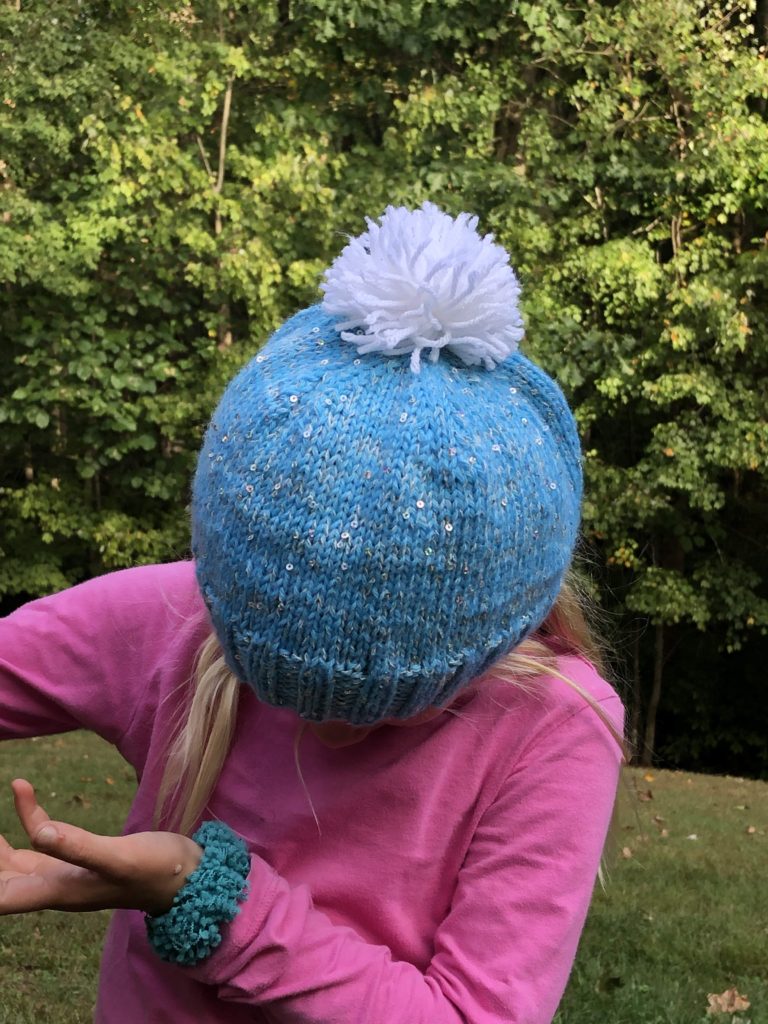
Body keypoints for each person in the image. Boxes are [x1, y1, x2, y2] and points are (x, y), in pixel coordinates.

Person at [0, 202, 625, 1024]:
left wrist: (209, 900)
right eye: (278, 681)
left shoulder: (554, 726)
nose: (323, 728)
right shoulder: (179, 615)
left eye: (396, 702)